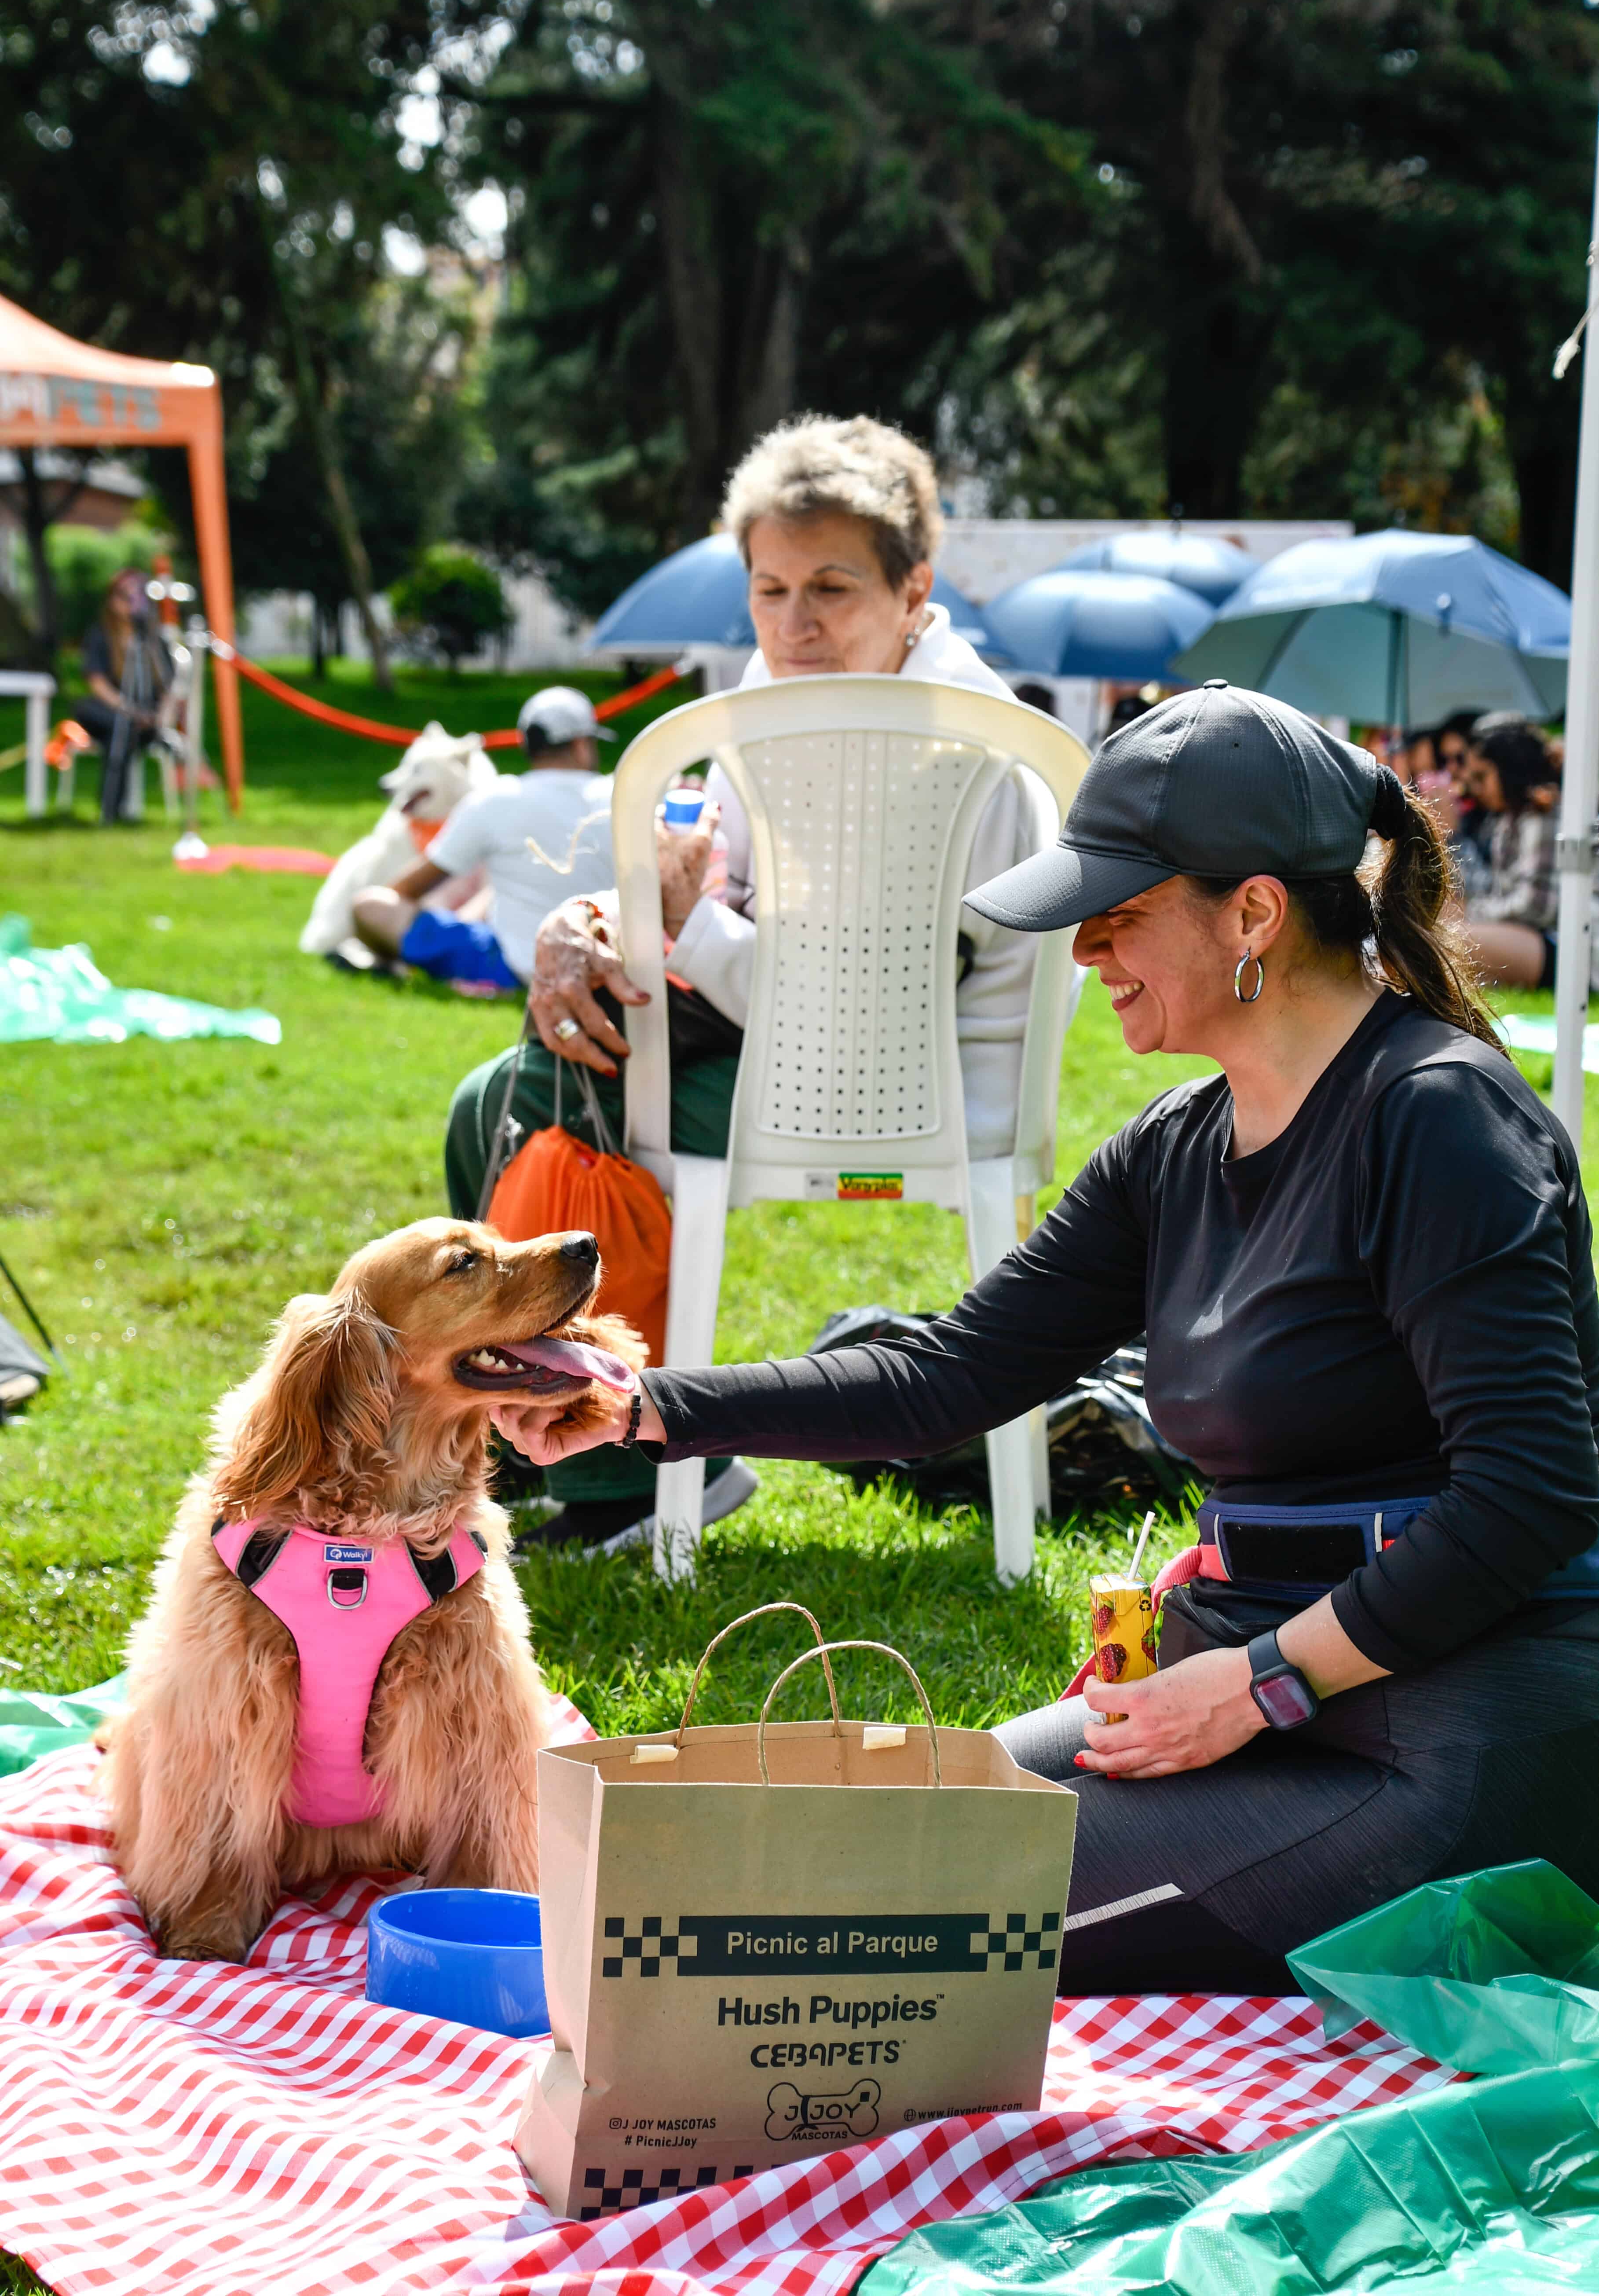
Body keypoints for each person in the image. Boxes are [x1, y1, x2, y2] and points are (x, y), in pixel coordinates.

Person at [493, 682, 1599, 1993]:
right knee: (830, 1849)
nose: (1082, 953)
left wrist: (1256, 1684)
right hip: (1246, 1693)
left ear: (1252, 911)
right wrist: (647, 1403)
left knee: (854, 1923)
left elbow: (1529, 1492)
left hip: (1442, 1737)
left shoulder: (1438, 1120)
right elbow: (947, 1375)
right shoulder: (1174, 1145)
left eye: (1116, 916)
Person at [445, 412, 1050, 1550]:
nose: (794, 623)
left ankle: (634, 1462)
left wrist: (677, 925)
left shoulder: (951, 734)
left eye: (831, 588)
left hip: (901, 1082)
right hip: (791, 1040)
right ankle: (520, 1428)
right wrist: (604, 921)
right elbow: (730, 904)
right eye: (768, 590)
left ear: (913, 586)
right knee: (492, 1094)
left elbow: (869, 992)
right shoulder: (784, 710)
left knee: (557, 1091)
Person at [352, 687, 615, 992]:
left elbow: (404, 891)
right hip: (606, 963)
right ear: (582, 745)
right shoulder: (621, 797)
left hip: (509, 967)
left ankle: (403, 967)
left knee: (370, 906)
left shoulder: (495, 800)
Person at [1460, 715, 1561, 990]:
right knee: (1442, 935)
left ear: (1509, 769)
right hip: (1532, 938)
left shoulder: (1541, 814)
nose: (1475, 788)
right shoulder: (1508, 818)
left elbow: (1535, 906)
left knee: (1453, 942)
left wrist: (1475, 912)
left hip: (1563, 946)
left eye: (1482, 776)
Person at [74, 566, 177, 825]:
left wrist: (159, 717)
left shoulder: (153, 640)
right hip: (111, 711)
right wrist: (128, 710)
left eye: (137, 596)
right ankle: (114, 812)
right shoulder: (101, 636)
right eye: (123, 596)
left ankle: (110, 812)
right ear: (111, 600)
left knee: (121, 734)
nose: (130, 603)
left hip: (146, 720)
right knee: (118, 726)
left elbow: (169, 687)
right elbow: (95, 682)